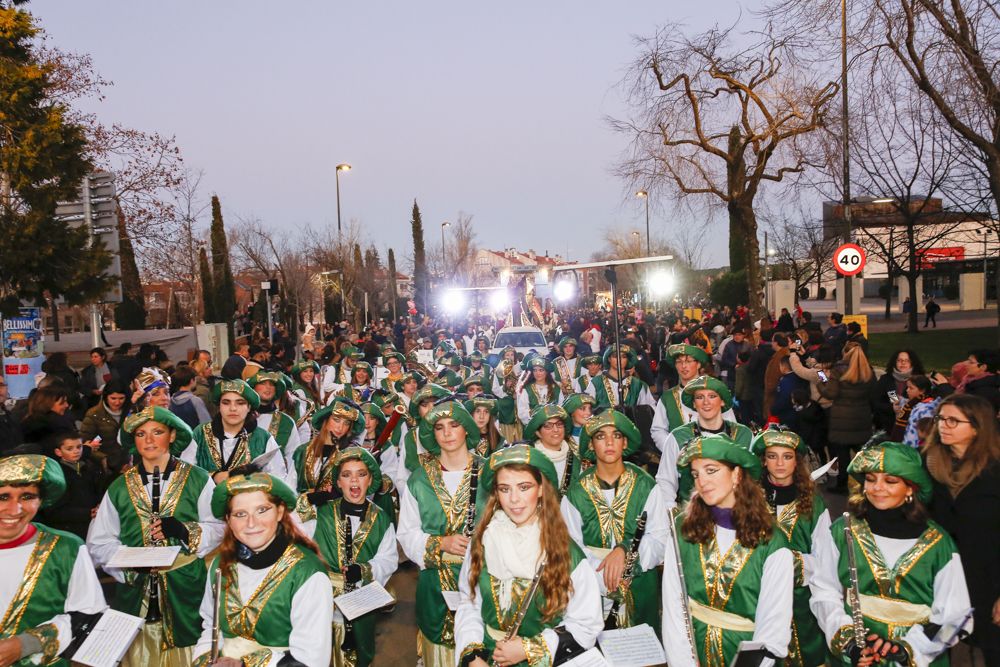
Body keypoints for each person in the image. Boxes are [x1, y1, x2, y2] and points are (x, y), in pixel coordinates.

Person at [809, 441, 973, 667]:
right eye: (871, 479)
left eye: (890, 481)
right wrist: (849, 642)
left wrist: (910, 650)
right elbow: (824, 590)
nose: (877, 488)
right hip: (857, 653)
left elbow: (956, 616)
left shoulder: (939, 544)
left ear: (910, 488)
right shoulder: (841, 531)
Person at [88, 407, 224, 666]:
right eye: (141, 434)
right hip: (135, 592)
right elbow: (99, 542)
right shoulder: (118, 487)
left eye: (157, 432)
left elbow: (220, 528)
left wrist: (185, 530)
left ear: (172, 436)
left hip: (185, 589)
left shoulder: (198, 479)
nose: (149, 440)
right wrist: (129, 565)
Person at [455, 445, 604, 666]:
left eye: (524, 487)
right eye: (505, 489)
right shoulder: (482, 542)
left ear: (541, 489)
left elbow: (585, 625)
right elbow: (470, 603)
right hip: (487, 656)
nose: (514, 499)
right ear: (496, 493)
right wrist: (473, 656)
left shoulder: (567, 553)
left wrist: (528, 649)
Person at [661, 434, 794, 667]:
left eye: (711, 470)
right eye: (696, 474)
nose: (702, 481)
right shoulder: (683, 528)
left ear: (736, 475)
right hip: (692, 653)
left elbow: (773, 626)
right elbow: (674, 608)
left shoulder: (772, 541)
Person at [191, 473, 332, 666]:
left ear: (280, 512)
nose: (251, 523)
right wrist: (207, 659)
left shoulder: (307, 573)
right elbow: (210, 626)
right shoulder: (219, 565)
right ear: (228, 520)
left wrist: (244, 665)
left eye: (262, 510)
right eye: (240, 514)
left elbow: (311, 659)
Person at [396, 401, 485, 667]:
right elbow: (406, 533)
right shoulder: (419, 480)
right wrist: (440, 543)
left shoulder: (490, 472)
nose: (447, 433)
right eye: (439, 427)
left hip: (483, 579)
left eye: (454, 425)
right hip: (434, 584)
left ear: (466, 430)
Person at [562, 411, 667, 633]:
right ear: (590, 445)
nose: (609, 442)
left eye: (616, 435)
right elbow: (569, 546)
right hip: (590, 586)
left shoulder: (646, 485)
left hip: (639, 584)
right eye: (600, 436)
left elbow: (660, 539)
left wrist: (625, 552)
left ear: (625, 442)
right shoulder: (576, 492)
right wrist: (601, 576)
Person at [0, 454, 107, 665]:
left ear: (41, 501)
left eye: (27, 497)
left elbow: (88, 614)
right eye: (3, 496)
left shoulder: (66, 549)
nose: (14, 509)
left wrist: (27, 643)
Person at [297, 447, 398, 667]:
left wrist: (363, 570)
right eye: (346, 475)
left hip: (360, 599)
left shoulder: (381, 519)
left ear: (370, 479)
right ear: (338, 482)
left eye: (361, 474)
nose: (354, 481)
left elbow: (388, 560)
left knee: (356, 655)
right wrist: (306, 501)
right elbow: (289, 531)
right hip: (321, 598)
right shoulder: (321, 512)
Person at [923, 394, 1000, 666]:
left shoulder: (995, 471)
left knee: (991, 650)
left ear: (977, 427)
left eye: (954, 421)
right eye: (941, 419)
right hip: (940, 580)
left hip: (987, 581)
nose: (944, 425)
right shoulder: (927, 465)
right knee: (937, 648)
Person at [750, 428, 830, 667]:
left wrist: (794, 565)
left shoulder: (814, 502)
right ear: (764, 461)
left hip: (800, 598)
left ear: (797, 461)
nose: (780, 463)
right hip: (755, 593)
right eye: (772, 456)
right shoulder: (749, 497)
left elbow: (825, 558)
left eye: (787, 456)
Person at [655, 376, 752, 506]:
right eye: (700, 397)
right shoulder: (678, 437)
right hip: (691, 515)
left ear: (722, 401)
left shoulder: (743, 435)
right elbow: (665, 481)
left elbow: (751, 481)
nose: (706, 402)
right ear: (694, 404)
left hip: (735, 515)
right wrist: (672, 514)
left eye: (712, 396)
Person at [179, 379, 290, 486]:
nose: (233, 408)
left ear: (249, 407)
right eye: (226, 403)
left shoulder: (263, 438)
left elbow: (279, 479)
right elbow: (184, 474)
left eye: (240, 403)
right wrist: (214, 477)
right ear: (219, 407)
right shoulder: (200, 434)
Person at [818, 344, 876, 493]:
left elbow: (830, 393)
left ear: (845, 353)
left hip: (841, 419)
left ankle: (842, 485)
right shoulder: (868, 371)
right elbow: (874, 393)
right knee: (861, 455)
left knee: (843, 456)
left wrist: (821, 381)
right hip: (861, 418)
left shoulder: (838, 370)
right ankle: (866, 482)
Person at [38, 430, 104, 539]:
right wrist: (87, 513)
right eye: (69, 449)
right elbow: (54, 511)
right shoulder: (56, 475)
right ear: (58, 452)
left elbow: (99, 490)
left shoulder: (90, 466)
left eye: (79, 447)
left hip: (92, 525)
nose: (76, 451)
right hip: (68, 530)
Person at [293, 397, 366, 493]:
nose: (340, 427)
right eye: (336, 420)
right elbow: (290, 487)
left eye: (347, 423)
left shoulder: (353, 454)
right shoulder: (302, 451)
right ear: (326, 420)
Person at [524, 404, 584, 494]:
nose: (555, 429)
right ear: (538, 433)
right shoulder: (530, 460)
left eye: (559, 424)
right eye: (548, 426)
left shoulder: (575, 458)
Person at [583, 345, 655, 411]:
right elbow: (587, 411)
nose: (619, 360)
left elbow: (649, 410)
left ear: (627, 360)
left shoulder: (638, 385)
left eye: (623, 357)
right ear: (609, 359)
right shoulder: (596, 383)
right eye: (615, 356)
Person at [79, 379, 130, 473]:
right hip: (105, 467)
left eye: (121, 398)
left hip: (129, 463)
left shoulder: (131, 411)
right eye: (113, 398)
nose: (117, 402)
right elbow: (85, 442)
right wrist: (104, 460)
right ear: (106, 397)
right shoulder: (94, 414)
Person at [515, 358, 562, 426]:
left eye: (541, 370)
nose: (537, 373)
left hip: (553, 426)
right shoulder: (526, 389)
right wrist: (536, 416)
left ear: (546, 372)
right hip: (533, 427)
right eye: (535, 370)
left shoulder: (556, 389)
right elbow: (521, 412)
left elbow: (561, 409)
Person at [168, 366, 212, 430]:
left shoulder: (170, 401)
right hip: (195, 439)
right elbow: (206, 425)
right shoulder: (195, 401)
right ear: (192, 380)